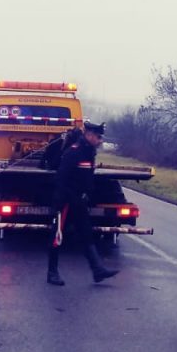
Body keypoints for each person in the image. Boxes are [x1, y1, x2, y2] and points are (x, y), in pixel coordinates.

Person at [48, 121, 119, 286]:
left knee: (86, 233)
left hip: (79, 201)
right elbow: (61, 178)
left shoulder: (89, 152)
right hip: (66, 201)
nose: (100, 140)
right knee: (57, 236)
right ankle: (52, 273)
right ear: (88, 135)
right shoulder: (74, 152)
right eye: (98, 137)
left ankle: (97, 269)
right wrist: (59, 203)